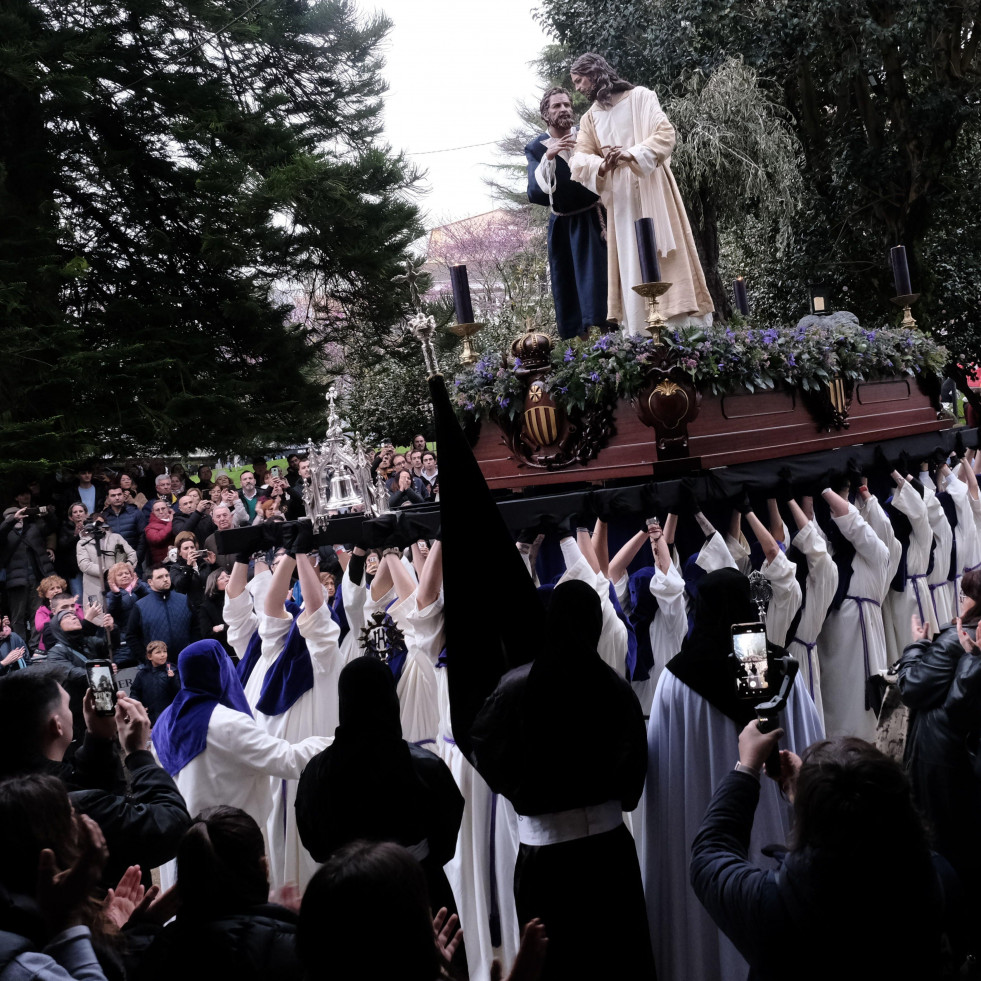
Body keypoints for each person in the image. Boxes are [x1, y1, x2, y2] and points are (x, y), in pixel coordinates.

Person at [643, 566, 824, 981]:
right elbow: (811, 741)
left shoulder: (674, 680)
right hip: (775, 830)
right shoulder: (777, 669)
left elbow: (663, 776)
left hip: (702, 826)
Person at [469, 579, 654, 980]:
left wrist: (524, 791)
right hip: (608, 856)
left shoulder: (514, 687)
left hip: (544, 863)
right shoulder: (617, 691)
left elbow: (484, 747)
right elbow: (631, 787)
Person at [690, 724, 945, 981]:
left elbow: (710, 853)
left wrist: (747, 769)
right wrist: (804, 790)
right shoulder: (936, 877)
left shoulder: (774, 905)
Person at [295, 657, 464, 917]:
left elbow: (314, 843)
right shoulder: (426, 767)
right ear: (390, 699)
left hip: (345, 898)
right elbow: (446, 834)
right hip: (417, 892)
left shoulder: (316, 771)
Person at [569, 52, 713, 335]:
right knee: (631, 254)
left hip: (652, 185)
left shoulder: (642, 97)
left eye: (579, 80)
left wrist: (631, 153)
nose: (577, 88)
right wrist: (601, 164)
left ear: (594, 72)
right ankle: (640, 330)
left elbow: (665, 134)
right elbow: (577, 159)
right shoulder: (589, 119)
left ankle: (680, 328)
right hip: (620, 198)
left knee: (664, 248)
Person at [151, 639, 329, 855]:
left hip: (184, 846)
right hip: (228, 845)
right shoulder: (226, 723)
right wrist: (337, 740)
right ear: (219, 669)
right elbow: (287, 760)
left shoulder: (164, 722)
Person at [897, 569, 981, 940]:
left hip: (941, 758)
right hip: (965, 758)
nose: (960, 602)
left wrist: (917, 645)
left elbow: (913, 688)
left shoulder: (958, 640)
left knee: (942, 846)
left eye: (965, 596)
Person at [127, 806, 303, 981]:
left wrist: (143, 926)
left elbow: (126, 966)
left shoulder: (158, 954)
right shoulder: (299, 952)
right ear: (264, 868)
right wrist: (300, 926)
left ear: (183, 881)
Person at [0, 774, 112, 981]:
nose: (79, 821)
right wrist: (67, 922)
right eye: (70, 815)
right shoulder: (25, 969)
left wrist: (138, 927)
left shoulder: (15, 915)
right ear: (54, 838)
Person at [526, 85, 608, 340]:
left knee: (603, 282)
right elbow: (535, 192)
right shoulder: (536, 148)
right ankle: (583, 352)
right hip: (564, 227)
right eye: (556, 106)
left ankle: (613, 341)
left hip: (597, 221)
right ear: (545, 114)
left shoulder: (587, 134)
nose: (563, 109)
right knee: (570, 287)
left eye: (567, 105)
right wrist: (549, 158)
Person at [1, 498, 56, 651]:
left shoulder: (33, 528)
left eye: (19, 515)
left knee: (36, 614)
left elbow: (51, 528)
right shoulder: (5, 533)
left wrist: (48, 513)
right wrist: (12, 521)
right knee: (17, 617)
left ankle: (35, 647)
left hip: (36, 579)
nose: (18, 518)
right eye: (12, 516)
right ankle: (20, 649)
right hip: (15, 581)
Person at [127, 564, 194, 663]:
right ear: (150, 582)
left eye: (167, 575)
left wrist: (193, 649)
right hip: (157, 667)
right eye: (160, 577)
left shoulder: (184, 600)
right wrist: (147, 658)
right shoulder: (140, 606)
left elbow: (195, 627)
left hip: (186, 660)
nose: (165, 579)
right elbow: (131, 636)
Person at [76, 512, 137, 604]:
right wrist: (106, 572)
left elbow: (132, 554)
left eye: (102, 523)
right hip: (94, 584)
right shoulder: (82, 543)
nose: (100, 526)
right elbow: (84, 564)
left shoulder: (116, 538)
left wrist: (124, 570)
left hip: (119, 583)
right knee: (98, 614)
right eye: (97, 523)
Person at [130, 640, 180, 724]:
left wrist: (172, 679)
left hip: (170, 716)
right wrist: (139, 707)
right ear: (150, 656)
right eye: (158, 652)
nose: (163, 655)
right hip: (150, 717)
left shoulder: (174, 671)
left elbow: (179, 693)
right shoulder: (142, 674)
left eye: (165, 651)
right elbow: (134, 693)